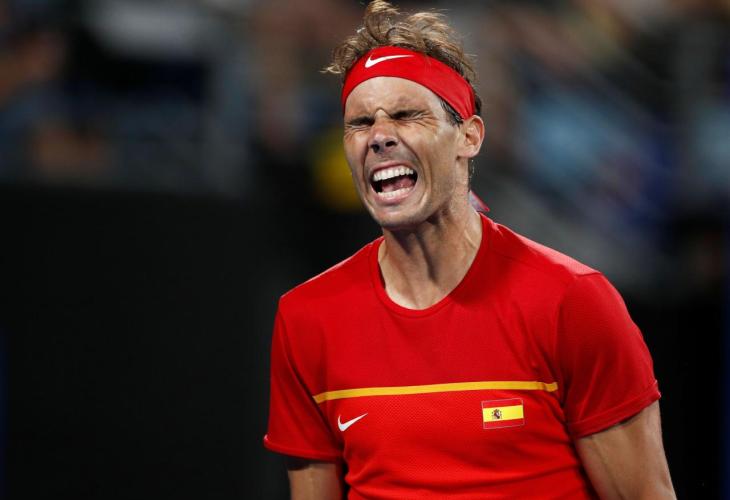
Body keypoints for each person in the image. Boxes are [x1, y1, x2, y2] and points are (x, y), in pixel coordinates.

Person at [264, 1, 676, 498]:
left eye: (406, 115)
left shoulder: (573, 301)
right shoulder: (307, 318)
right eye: (360, 123)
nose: (379, 137)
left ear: (469, 136)